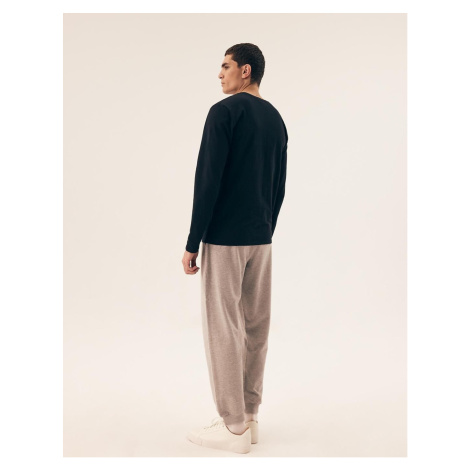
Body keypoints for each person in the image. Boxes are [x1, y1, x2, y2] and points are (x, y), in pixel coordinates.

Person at [182, 43, 288, 454]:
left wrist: (193, 241)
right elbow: (279, 185)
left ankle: (232, 426)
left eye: (225, 66)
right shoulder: (275, 118)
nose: (220, 73)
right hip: (261, 238)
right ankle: (250, 416)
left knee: (223, 327)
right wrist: (266, 229)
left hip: (225, 238)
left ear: (245, 70)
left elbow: (207, 180)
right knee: (256, 326)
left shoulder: (223, 112)